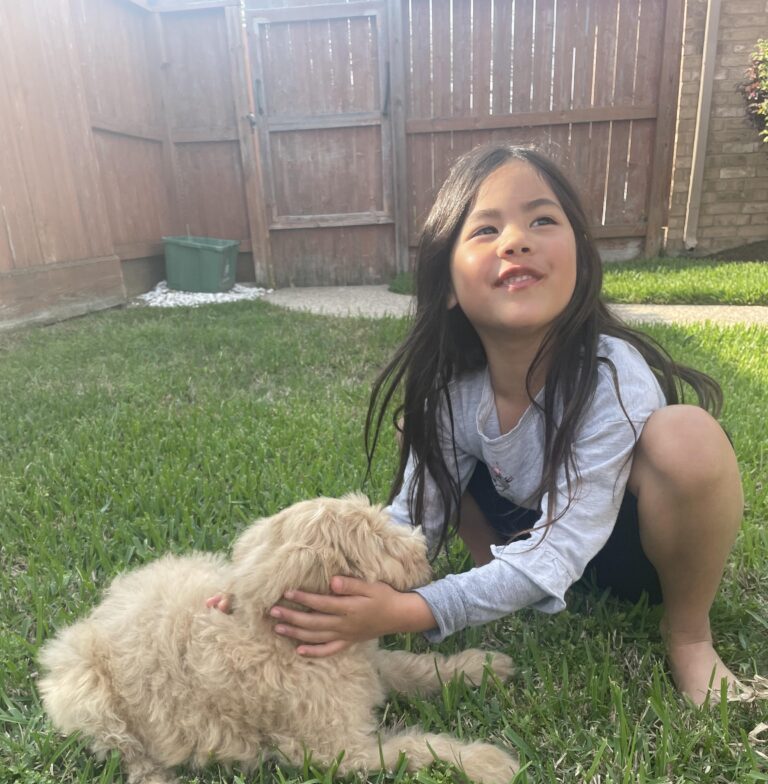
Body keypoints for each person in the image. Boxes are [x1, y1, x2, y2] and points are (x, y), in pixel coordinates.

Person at [211, 144, 744, 705]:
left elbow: (562, 545)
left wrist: (412, 612)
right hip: (522, 535)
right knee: (414, 430)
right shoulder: (452, 395)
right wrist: (282, 591)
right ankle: (497, 580)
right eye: (485, 230)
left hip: (628, 559)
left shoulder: (610, 373)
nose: (517, 239)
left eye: (542, 219)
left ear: (582, 260)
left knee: (688, 437)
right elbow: (411, 524)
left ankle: (689, 637)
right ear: (446, 285)